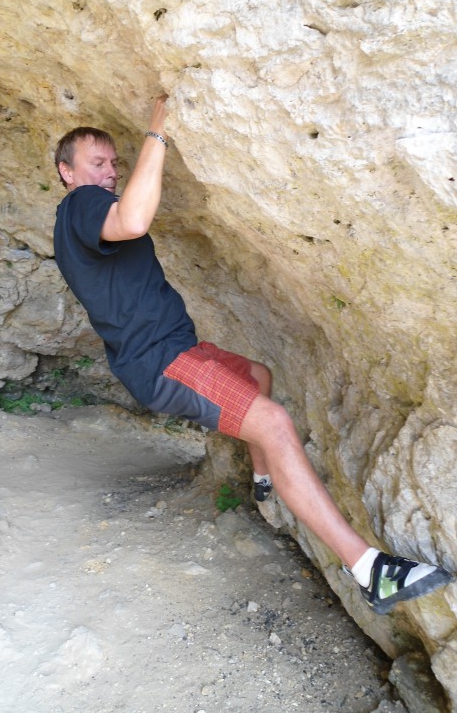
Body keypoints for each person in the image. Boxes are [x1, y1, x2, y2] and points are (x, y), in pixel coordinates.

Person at [53, 94, 452, 615]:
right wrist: (157, 130)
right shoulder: (81, 205)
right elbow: (132, 220)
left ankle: (266, 480)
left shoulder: (75, 220)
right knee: (273, 422)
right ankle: (370, 570)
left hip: (176, 349)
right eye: (97, 163)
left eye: (113, 164)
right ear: (67, 172)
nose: (108, 172)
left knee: (257, 375)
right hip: (162, 362)